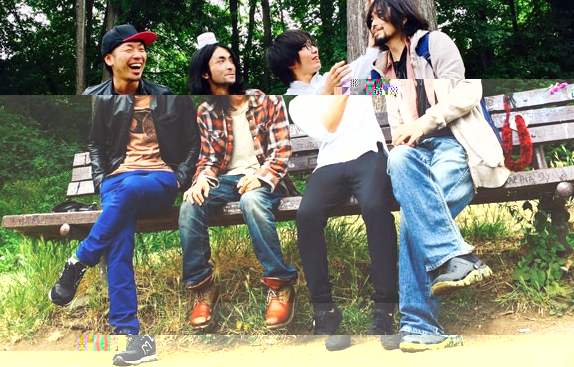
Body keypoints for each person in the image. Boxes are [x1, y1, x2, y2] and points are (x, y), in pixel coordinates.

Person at [49, 95, 200, 365]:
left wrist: (181, 177)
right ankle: (129, 336)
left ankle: (80, 259)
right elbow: (96, 143)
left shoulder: (172, 99)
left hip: (159, 178)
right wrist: (100, 180)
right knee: (118, 239)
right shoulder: (108, 101)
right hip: (116, 182)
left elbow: (193, 142)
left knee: (130, 189)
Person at [382, 79, 509, 352]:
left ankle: (418, 326)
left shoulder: (443, 58)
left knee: (415, 213)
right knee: (398, 158)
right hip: (417, 155)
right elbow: (354, 86)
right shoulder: (389, 79)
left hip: (458, 148)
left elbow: (471, 91)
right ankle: (459, 258)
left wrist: (422, 124)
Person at [178, 94, 298, 330]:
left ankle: (280, 285)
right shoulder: (207, 111)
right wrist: (201, 179)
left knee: (251, 201)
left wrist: (260, 177)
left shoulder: (270, 101)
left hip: (265, 177)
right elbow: (209, 159)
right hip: (225, 181)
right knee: (191, 204)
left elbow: (280, 152)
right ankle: (203, 289)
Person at [289, 95, 398, 351]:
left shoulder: (355, 83)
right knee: (307, 215)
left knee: (375, 206)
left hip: (369, 155)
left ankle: (384, 308)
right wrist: (340, 92)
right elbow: (324, 129)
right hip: (329, 164)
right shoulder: (301, 102)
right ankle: (324, 310)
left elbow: (390, 87)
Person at [366, 0, 464, 79]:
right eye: (371, 19)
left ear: (403, 18)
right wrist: (370, 52)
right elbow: (360, 89)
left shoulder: (433, 43)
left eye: (380, 15)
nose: (373, 24)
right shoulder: (380, 68)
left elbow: (454, 88)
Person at [267, 29, 378, 95]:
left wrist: (373, 49)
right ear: (290, 62)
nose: (315, 50)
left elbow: (370, 86)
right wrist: (327, 93)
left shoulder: (331, 81)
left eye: (313, 45)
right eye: (306, 47)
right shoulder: (290, 101)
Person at [84, 24, 173, 95]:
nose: (138, 56)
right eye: (129, 50)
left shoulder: (162, 95)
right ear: (109, 59)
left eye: (141, 49)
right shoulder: (92, 96)